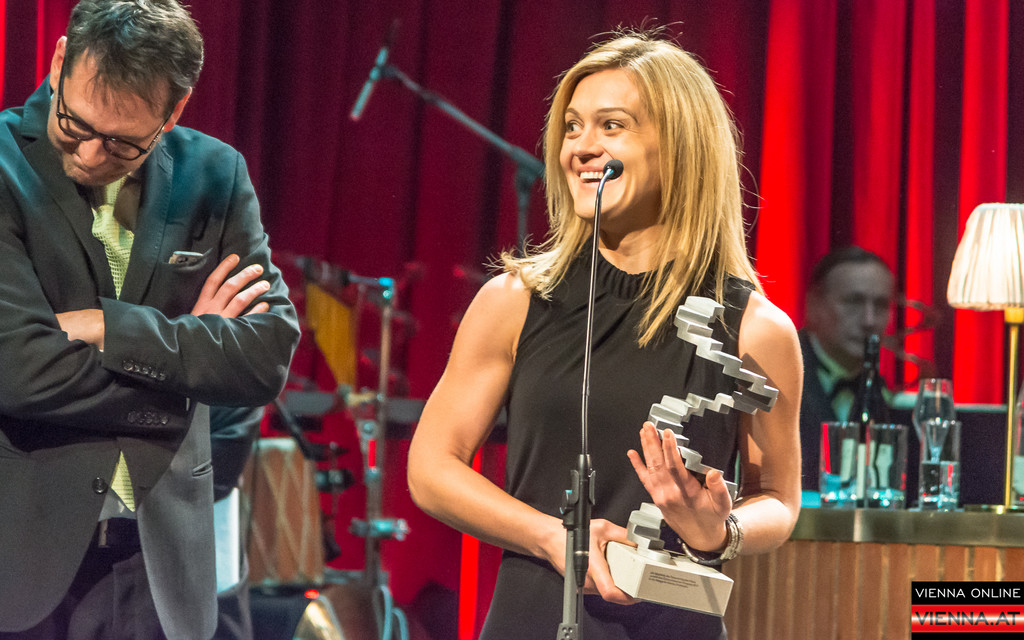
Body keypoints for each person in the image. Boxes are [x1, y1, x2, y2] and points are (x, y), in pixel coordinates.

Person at [408, 31, 802, 639]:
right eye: (572, 127)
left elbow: (776, 496)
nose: (582, 147)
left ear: (681, 147)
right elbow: (432, 467)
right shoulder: (516, 301)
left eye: (611, 126)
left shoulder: (755, 329)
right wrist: (550, 536)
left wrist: (721, 532)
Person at [0, 1, 301, 638]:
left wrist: (107, 327)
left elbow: (266, 355)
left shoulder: (216, 175)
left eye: (122, 144)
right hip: (19, 549)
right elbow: (19, 369)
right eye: (74, 124)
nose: (88, 155)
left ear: (175, 110)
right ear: (59, 61)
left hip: (160, 562)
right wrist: (189, 374)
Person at [798, 247, 895, 491]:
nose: (869, 321)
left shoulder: (887, 393)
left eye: (881, 305)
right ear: (813, 305)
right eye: (854, 302)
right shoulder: (777, 371)